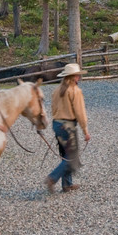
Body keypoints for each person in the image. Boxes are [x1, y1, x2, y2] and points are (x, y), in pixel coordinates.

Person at [45, 63, 90, 193]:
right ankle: (52, 178)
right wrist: (85, 131)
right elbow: (80, 113)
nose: (79, 78)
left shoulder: (57, 90)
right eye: (77, 75)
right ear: (73, 77)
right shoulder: (75, 91)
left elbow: (53, 109)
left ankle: (67, 184)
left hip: (57, 124)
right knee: (72, 157)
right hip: (68, 126)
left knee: (65, 154)